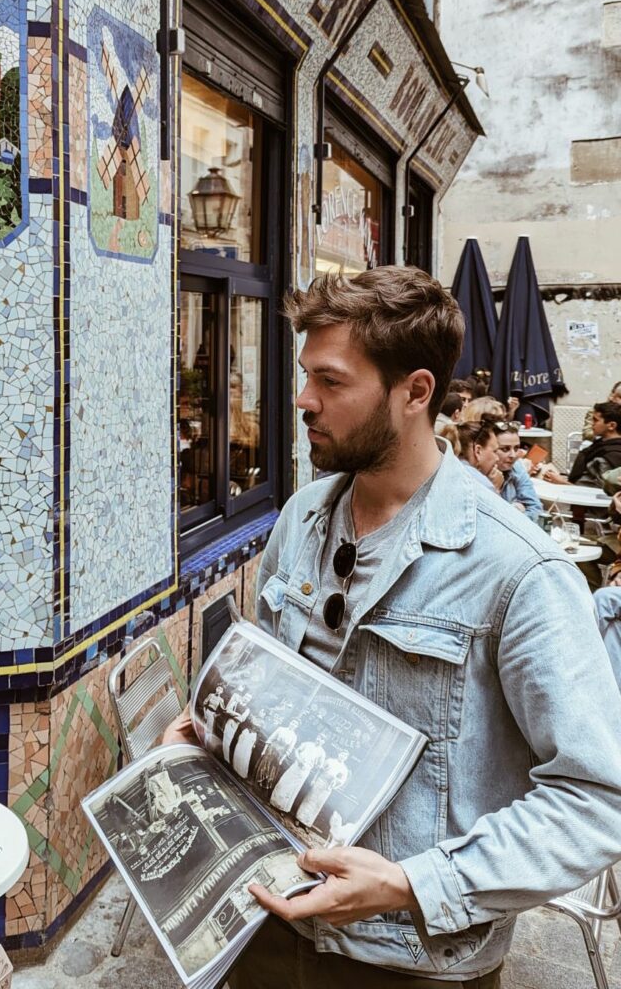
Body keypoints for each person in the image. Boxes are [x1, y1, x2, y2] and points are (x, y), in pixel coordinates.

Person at [164, 266, 621, 986]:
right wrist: (202, 735)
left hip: (409, 960)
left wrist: (413, 886)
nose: (303, 401)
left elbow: (597, 799)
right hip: (264, 920)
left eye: (332, 382)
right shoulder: (301, 517)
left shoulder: (519, 572)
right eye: (306, 374)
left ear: (415, 392)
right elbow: (257, 688)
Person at [543, 400, 621, 487]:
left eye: (595, 420)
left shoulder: (612, 456)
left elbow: (597, 494)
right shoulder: (601, 444)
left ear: (611, 426)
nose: (591, 424)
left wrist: (561, 482)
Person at [492, 421, 542, 521]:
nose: (513, 455)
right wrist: (516, 508)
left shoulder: (516, 465)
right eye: (505, 449)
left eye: (516, 448)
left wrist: (511, 513)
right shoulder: (476, 473)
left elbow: (536, 508)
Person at [455, 419, 499, 489]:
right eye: (495, 451)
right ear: (478, 451)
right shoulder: (482, 485)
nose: (497, 458)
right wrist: (495, 488)